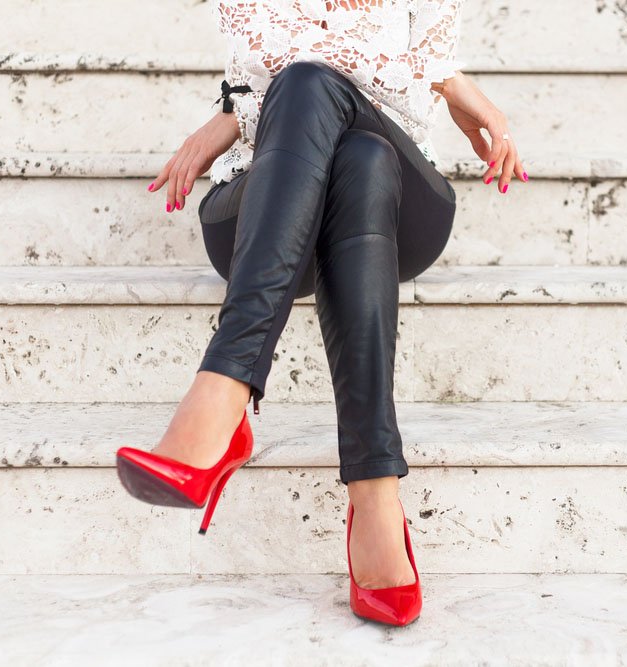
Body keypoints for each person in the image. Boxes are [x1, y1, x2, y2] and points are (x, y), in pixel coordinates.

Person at [115, 0, 527, 626]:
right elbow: (387, 74)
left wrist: (237, 114)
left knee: (334, 111)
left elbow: (401, 80)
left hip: (403, 204)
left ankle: (223, 390)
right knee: (342, 131)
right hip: (263, 203)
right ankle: (375, 492)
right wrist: (449, 82)